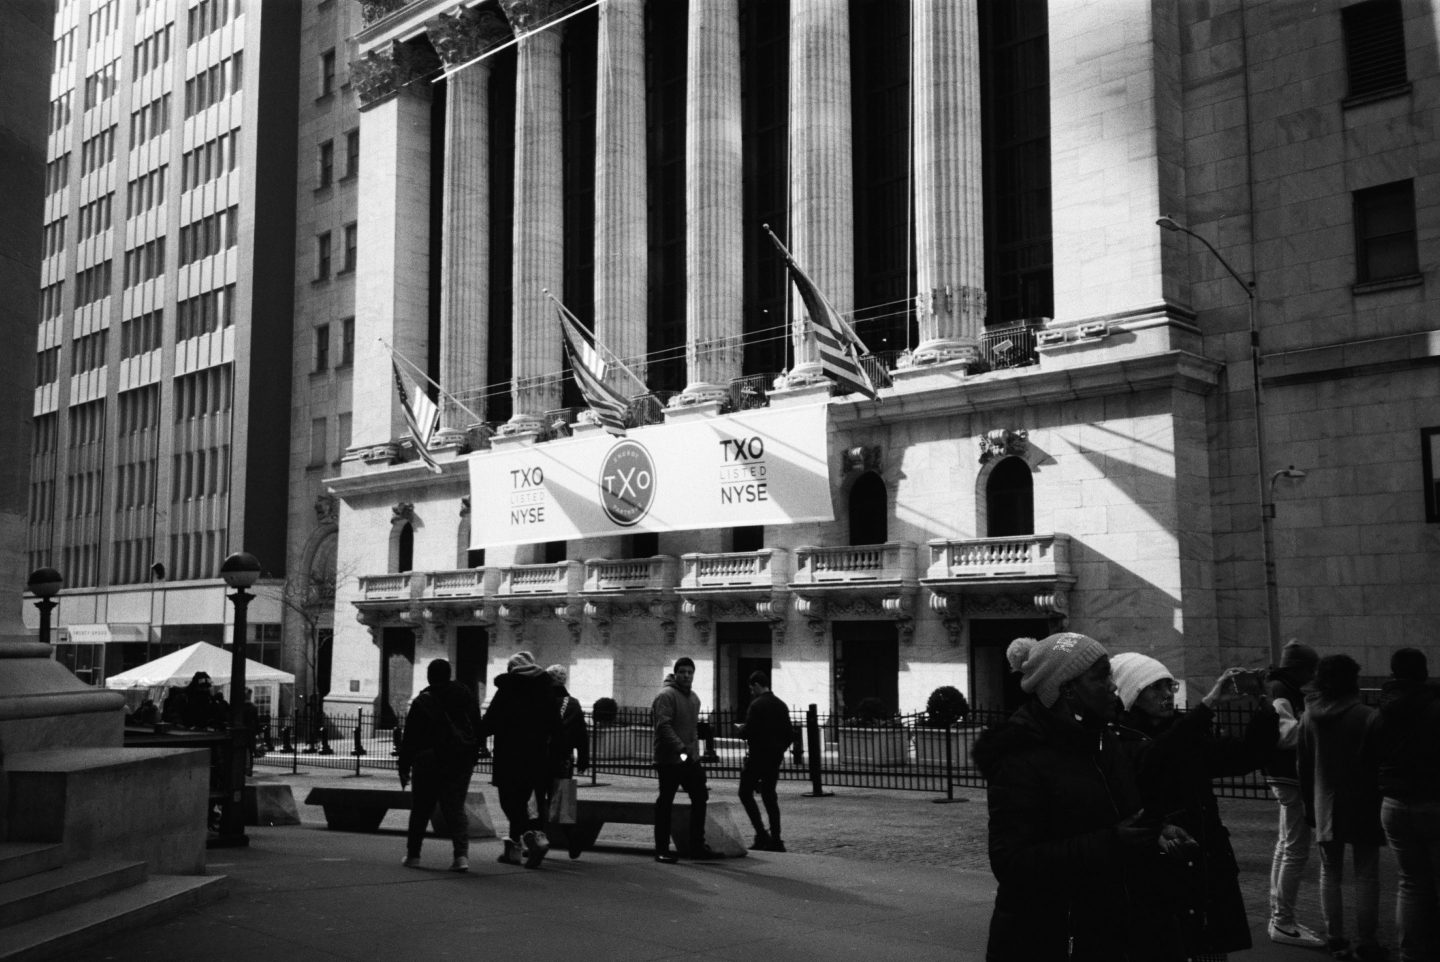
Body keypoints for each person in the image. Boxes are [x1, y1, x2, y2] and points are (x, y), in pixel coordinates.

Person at [973, 633, 1183, 962]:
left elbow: (1118, 814)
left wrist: (1153, 831)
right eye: (1101, 676)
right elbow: (1011, 863)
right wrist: (1112, 842)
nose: (1114, 686)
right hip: (1048, 938)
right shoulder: (1019, 757)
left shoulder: (1104, 739)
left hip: (1113, 930)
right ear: (1068, 689)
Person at [1111, 653, 1279, 961]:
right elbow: (1155, 757)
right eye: (1155, 688)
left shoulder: (1185, 731)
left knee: (1210, 949)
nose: (1166, 695)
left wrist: (1263, 708)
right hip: (1158, 866)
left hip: (1203, 859)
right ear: (1132, 693)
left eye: (1169, 686)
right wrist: (1208, 705)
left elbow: (1242, 758)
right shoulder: (1121, 738)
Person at [1299, 653, 1385, 961]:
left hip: (1325, 802)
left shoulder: (1309, 716)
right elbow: (1379, 763)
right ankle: (1367, 941)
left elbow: (1304, 765)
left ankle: (1335, 937)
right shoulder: (1367, 716)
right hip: (1364, 802)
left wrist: (1310, 803)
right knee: (1366, 875)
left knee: (1330, 873)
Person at [1375, 647, 1440, 962]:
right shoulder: (1434, 707)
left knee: (1411, 881)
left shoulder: (1381, 709)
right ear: (1423, 672)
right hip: (1432, 800)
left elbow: (1367, 755)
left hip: (1393, 803)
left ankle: (1411, 952)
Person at [1265, 639, 1327, 947]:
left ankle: (1280, 916)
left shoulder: (1281, 686)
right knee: (1294, 850)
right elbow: (1285, 734)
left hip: (1285, 775)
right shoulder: (1281, 690)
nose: (1314, 675)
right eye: (1311, 669)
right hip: (1289, 775)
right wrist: (1314, 718)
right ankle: (1283, 921)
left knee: (1285, 846)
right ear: (1300, 669)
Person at [396, 658, 482, 872]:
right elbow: (477, 727)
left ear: (429, 676)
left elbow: (411, 738)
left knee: (421, 809)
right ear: (449, 674)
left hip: (429, 760)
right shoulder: (466, 696)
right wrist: (473, 754)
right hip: (459, 760)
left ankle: (414, 855)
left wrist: (404, 766)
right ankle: (461, 856)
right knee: (455, 808)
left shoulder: (422, 701)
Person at [481, 651, 560, 868]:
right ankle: (513, 852)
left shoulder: (508, 688)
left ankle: (532, 837)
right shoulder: (545, 690)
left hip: (509, 755)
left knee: (510, 802)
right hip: (536, 757)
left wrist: (474, 736)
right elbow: (556, 725)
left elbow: (490, 722)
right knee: (524, 802)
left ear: (511, 669)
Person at [652, 656, 722, 863]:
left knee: (700, 797)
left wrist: (694, 755)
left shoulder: (694, 698)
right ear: (676, 673)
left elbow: (691, 730)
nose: (686, 675)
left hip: (689, 758)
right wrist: (681, 750)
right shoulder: (666, 696)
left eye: (689, 672)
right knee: (666, 801)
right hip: (669, 759)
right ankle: (662, 849)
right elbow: (663, 726)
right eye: (682, 671)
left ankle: (697, 846)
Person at [735, 670, 792, 852]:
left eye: (752, 688)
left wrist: (740, 730)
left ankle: (761, 834)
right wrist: (780, 750)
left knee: (745, 792)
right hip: (774, 757)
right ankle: (776, 839)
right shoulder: (781, 705)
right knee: (769, 795)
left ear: (757, 685)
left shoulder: (757, 705)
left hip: (757, 756)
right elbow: (789, 734)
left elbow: (749, 731)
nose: (751, 692)